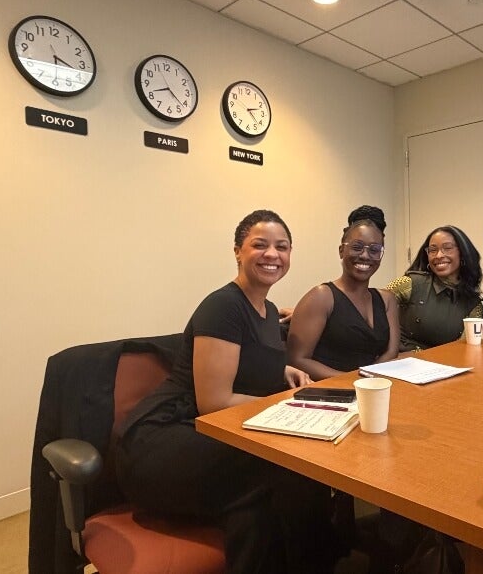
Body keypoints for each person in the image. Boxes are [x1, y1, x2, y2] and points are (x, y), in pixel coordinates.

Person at [115, 210, 341, 574]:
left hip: (217, 435)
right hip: (167, 436)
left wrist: (282, 368)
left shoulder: (268, 311)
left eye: (281, 247)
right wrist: (291, 404)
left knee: (260, 510)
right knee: (287, 468)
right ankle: (323, 555)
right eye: (260, 245)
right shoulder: (223, 305)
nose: (272, 254)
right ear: (238, 251)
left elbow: (247, 357)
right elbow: (214, 402)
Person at [287, 205, 399, 380]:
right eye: (357, 247)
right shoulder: (321, 296)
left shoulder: (387, 300)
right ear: (341, 250)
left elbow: (391, 351)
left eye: (374, 250)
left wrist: (371, 380)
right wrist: (354, 381)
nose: (365, 255)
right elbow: (297, 359)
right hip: (330, 392)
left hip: (373, 388)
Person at [386, 225, 482, 352]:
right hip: (399, 361)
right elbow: (377, 302)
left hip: (442, 366)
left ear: (463, 253)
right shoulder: (410, 282)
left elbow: (465, 349)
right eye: (432, 250)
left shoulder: (474, 304)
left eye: (447, 248)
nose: (439, 255)